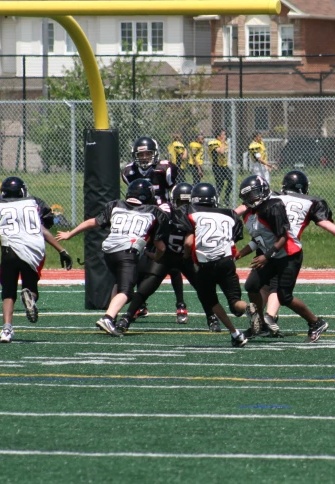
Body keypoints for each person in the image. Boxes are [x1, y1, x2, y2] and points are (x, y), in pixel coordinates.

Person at [56, 179, 169, 337]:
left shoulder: (115, 205)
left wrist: (70, 234)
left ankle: (112, 317)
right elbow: (161, 246)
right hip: (127, 252)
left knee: (119, 282)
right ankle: (108, 318)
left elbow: (92, 222)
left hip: (109, 252)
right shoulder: (155, 212)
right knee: (127, 291)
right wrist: (155, 256)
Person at [0, 176, 73, 343]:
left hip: (9, 249)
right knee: (31, 286)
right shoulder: (34, 204)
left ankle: (6, 329)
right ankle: (30, 297)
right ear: (22, 191)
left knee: (8, 292)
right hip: (34, 249)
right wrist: (62, 250)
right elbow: (44, 230)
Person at [116, 183, 220, 334]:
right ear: (173, 201)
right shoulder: (165, 212)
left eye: (186, 202)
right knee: (147, 286)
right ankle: (127, 316)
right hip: (168, 255)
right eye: (181, 202)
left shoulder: (193, 215)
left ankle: (212, 318)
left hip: (184, 256)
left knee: (203, 288)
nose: (183, 206)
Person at [236, 174, 329, 342]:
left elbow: (284, 237)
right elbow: (258, 240)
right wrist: (240, 254)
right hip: (271, 255)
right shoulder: (249, 214)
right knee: (252, 285)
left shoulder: (274, 206)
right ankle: (260, 325)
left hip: (289, 255)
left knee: (284, 296)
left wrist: (266, 256)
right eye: (248, 196)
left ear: (263, 191)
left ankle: (316, 323)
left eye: (254, 194)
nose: (252, 198)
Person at [261, 171, 335, 337]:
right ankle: (268, 319)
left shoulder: (273, 197)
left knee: (275, 287)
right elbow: (324, 222)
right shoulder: (311, 201)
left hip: (272, 245)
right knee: (272, 284)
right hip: (288, 247)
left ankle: (275, 319)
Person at [176, 182, 262, 347]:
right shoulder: (229, 214)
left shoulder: (190, 212)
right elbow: (232, 240)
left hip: (205, 265)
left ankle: (234, 332)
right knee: (235, 303)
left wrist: (185, 257)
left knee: (209, 300)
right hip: (226, 262)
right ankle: (246, 309)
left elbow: (188, 243)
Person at [121, 136, 188, 322]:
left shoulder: (165, 169)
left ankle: (181, 304)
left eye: (148, 154)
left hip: (162, 215)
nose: (144, 158)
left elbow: (175, 193)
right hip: (142, 218)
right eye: (140, 154)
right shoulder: (128, 172)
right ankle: (140, 305)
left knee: (172, 263)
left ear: (155, 154)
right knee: (136, 259)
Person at [208, 130, 232, 204]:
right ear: (218, 136)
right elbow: (221, 152)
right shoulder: (213, 142)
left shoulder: (224, 143)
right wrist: (222, 142)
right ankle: (215, 199)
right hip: (217, 166)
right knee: (220, 183)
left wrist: (223, 142)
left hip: (224, 166)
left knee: (231, 180)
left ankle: (226, 198)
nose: (225, 136)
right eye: (223, 134)